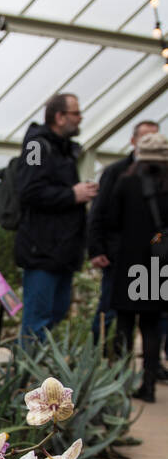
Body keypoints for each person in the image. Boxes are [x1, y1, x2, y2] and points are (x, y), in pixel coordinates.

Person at [15, 92, 97, 343]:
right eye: (76, 113)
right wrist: (72, 194)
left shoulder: (64, 151)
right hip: (42, 251)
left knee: (55, 314)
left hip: (63, 252)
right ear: (59, 117)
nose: (80, 118)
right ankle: (23, 380)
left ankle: (36, 374)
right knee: (35, 323)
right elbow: (28, 190)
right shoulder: (36, 146)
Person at [103, 131, 168, 403]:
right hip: (158, 263)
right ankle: (149, 385)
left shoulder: (126, 183)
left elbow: (110, 221)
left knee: (124, 326)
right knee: (151, 327)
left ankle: (120, 384)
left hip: (129, 264)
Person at [88, 119, 159, 350]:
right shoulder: (117, 172)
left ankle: (151, 368)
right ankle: (97, 360)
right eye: (145, 137)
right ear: (133, 141)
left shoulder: (163, 175)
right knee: (111, 311)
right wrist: (97, 248)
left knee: (152, 319)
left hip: (155, 260)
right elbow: (101, 213)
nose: (150, 142)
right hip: (120, 258)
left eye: (154, 137)